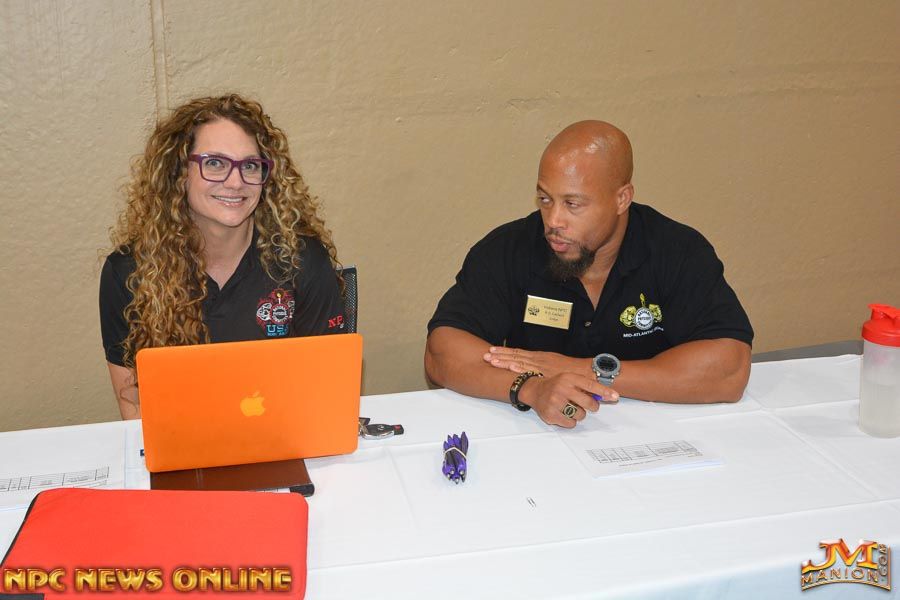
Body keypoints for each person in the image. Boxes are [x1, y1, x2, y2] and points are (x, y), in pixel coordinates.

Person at [425, 120, 753, 428]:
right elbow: (442, 352)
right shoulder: (509, 249)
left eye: (573, 204)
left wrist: (584, 371)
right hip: (539, 432)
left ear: (622, 199)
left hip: (658, 429)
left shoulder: (676, 250)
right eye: (545, 199)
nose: (553, 221)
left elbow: (729, 369)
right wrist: (531, 388)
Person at [100, 94, 345, 420]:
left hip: (283, 438)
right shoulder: (129, 272)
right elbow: (134, 408)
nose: (235, 181)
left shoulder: (302, 259)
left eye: (250, 166)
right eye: (215, 163)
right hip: (182, 443)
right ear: (179, 172)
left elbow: (326, 392)